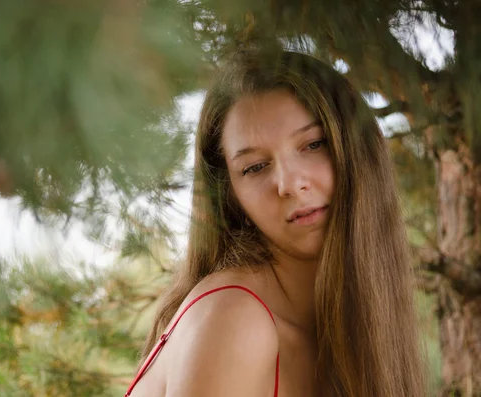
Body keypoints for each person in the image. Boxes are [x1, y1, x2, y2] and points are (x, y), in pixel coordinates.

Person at [124, 46, 427, 397]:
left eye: (313, 144)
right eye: (254, 167)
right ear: (232, 198)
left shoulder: (357, 328)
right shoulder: (234, 318)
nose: (289, 184)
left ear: (359, 151)